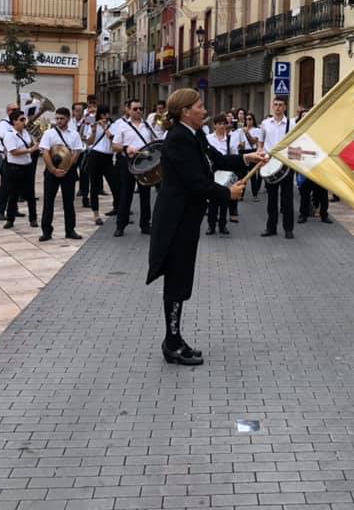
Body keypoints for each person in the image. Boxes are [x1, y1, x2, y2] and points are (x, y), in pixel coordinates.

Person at [146, 88, 266, 366]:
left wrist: (249, 158)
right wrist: (228, 195)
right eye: (200, 105)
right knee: (176, 281)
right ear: (186, 111)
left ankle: (174, 338)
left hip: (187, 220)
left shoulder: (194, 134)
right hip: (175, 222)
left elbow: (218, 160)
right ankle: (172, 342)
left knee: (182, 280)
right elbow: (195, 183)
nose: (205, 110)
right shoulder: (177, 139)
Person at [111, 99, 156, 237]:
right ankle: (121, 225)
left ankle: (145, 225)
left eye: (140, 108)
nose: (138, 111)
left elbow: (154, 142)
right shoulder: (122, 126)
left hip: (144, 164)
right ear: (128, 110)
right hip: (128, 162)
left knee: (145, 194)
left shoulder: (147, 125)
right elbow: (114, 145)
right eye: (135, 109)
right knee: (126, 194)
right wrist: (126, 148)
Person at [38, 107, 84, 242]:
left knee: (69, 202)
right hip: (51, 172)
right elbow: (45, 153)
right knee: (48, 202)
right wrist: (53, 169)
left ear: (68, 119)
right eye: (57, 118)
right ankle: (46, 231)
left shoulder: (74, 134)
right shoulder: (49, 133)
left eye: (62, 118)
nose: (58, 121)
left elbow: (76, 153)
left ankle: (70, 230)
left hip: (68, 172)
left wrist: (66, 168)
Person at [261, 96, 294, 239]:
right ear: (272, 107)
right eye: (275, 104)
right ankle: (271, 228)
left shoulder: (291, 124)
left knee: (287, 199)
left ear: (285, 107)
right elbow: (261, 143)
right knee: (271, 199)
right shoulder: (265, 124)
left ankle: (288, 229)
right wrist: (261, 158)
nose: (278, 107)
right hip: (269, 165)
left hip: (285, 166)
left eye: (280, 105)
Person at [2, 109, 40, 229]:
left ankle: (33, 219)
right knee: (13, 194)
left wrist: (36, 144)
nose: (24, 122)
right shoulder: (9, 135)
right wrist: (30, 150)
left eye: (25, 119)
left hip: (27, 166)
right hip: (15, 168)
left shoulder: (26, 133)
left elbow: (30, 144)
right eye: (21, 120)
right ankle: (10, 219)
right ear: (14, 121)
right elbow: (13, 151)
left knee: (30, 193)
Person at [85, 104, 119, 225]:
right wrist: (94, 131)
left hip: (108, 157)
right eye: (103, 114)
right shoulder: (94, 125)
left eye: (107, 114)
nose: (105, 116)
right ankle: (96, 215)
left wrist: (105, 127)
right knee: (94, 186)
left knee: (115, 184)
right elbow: (89, 142)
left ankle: (119, 210)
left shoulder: (114, 126)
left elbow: (113, 140)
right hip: (95, 156)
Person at [205, 114, 237, 236]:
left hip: (225, 170)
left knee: (224, 199)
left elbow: (234, 155)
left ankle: (222, 225)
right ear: (215, 125)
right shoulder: (208, 138)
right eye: (219, 124)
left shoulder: (230, 139)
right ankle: (211, 225)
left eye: (224, 124)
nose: (222, 126)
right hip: (213, 170)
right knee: (213, 200)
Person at [0, 102, 20, 221]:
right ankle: (0, 211)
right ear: (7, 111)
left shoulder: (19, 122)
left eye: (17, 109)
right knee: (5, 186)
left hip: (18, 156)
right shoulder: (3, 124)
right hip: (6, 157)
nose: (15, 111)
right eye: (12, 109)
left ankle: (13, 209)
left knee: (16, 185)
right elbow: (5, 137)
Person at [243, 112, 264, 200]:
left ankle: (255, 194)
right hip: (243, 151)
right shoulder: (241, 130)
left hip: (252, 151)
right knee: (243, 174)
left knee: (252, 174)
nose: (248, 121)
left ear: (253, 120)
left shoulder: (256, 130)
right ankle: (241, 194)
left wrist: (247, 133)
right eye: (246, 119)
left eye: (250, 119)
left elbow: (253, 141)